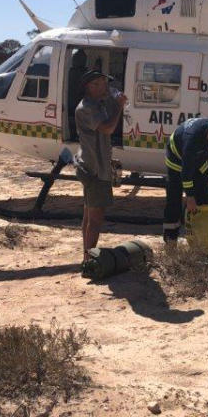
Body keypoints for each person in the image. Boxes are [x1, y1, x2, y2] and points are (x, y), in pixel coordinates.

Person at [74, 70, 126, 275]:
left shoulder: (97, 105)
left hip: (93, 166)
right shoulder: (87, 108)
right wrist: (120, 107)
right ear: (89, 87)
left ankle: (87, 256)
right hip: (95, 170)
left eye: (105, 83)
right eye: (99, 83)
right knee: (95, 220)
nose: (104, 86)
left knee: (89, 215)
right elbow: (107, 128)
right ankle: (89, 262)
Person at [163, 117, 208, 243]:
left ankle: (201, 231)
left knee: (204, 192)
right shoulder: (192, 141)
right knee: (174, 200)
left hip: (196, 159)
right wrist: (190, 197)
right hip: (176, 160)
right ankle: (170, 239)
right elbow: (186, 173)